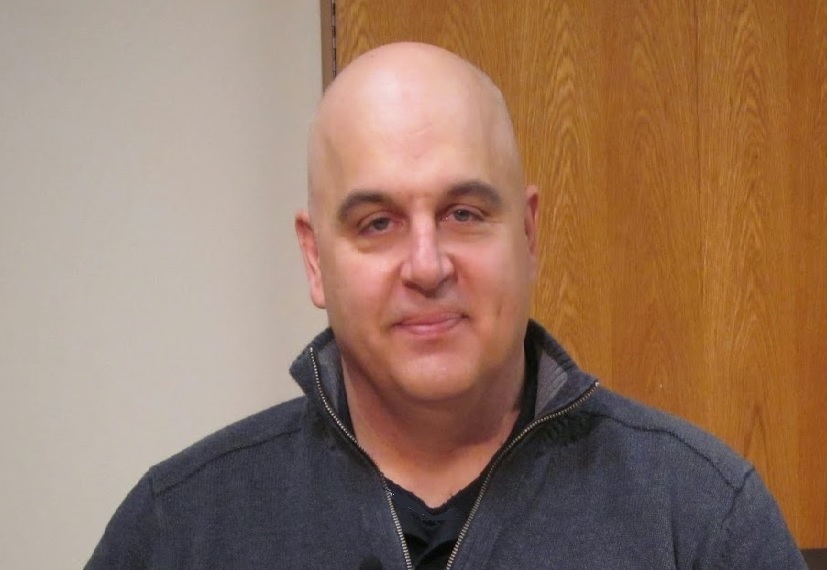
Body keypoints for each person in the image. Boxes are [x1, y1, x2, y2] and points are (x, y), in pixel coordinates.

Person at [86, 42, 805, 569]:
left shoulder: (702, 517)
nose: (426, 266)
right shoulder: (178, 529)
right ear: (315, 259)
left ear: (527, 236)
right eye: (377, 223)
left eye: (464, 213)